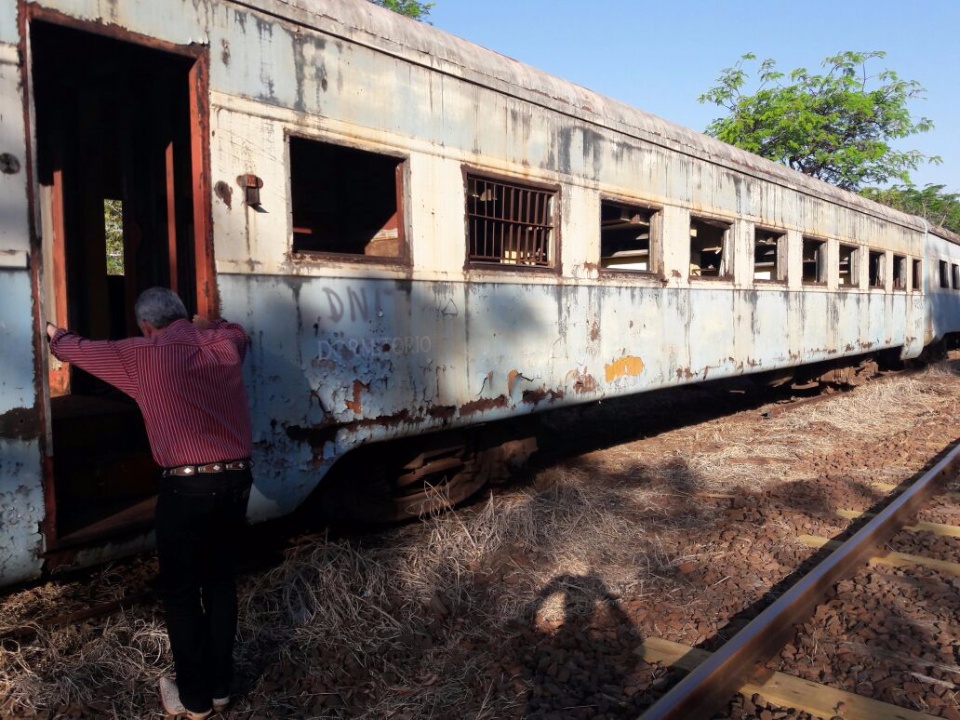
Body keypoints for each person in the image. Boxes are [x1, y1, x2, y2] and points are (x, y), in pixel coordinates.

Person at [46, 287, 253, 720]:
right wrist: (205, 324)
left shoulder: (138, 354)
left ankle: (193, 701)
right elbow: (236, 330)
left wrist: (51, 332)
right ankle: (220, 689)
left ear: (145, 326)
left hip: (186, 488)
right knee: (220, 584)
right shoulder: (225, 344)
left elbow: (77, 349)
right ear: (181, 316)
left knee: (180, 592)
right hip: (237, 480)